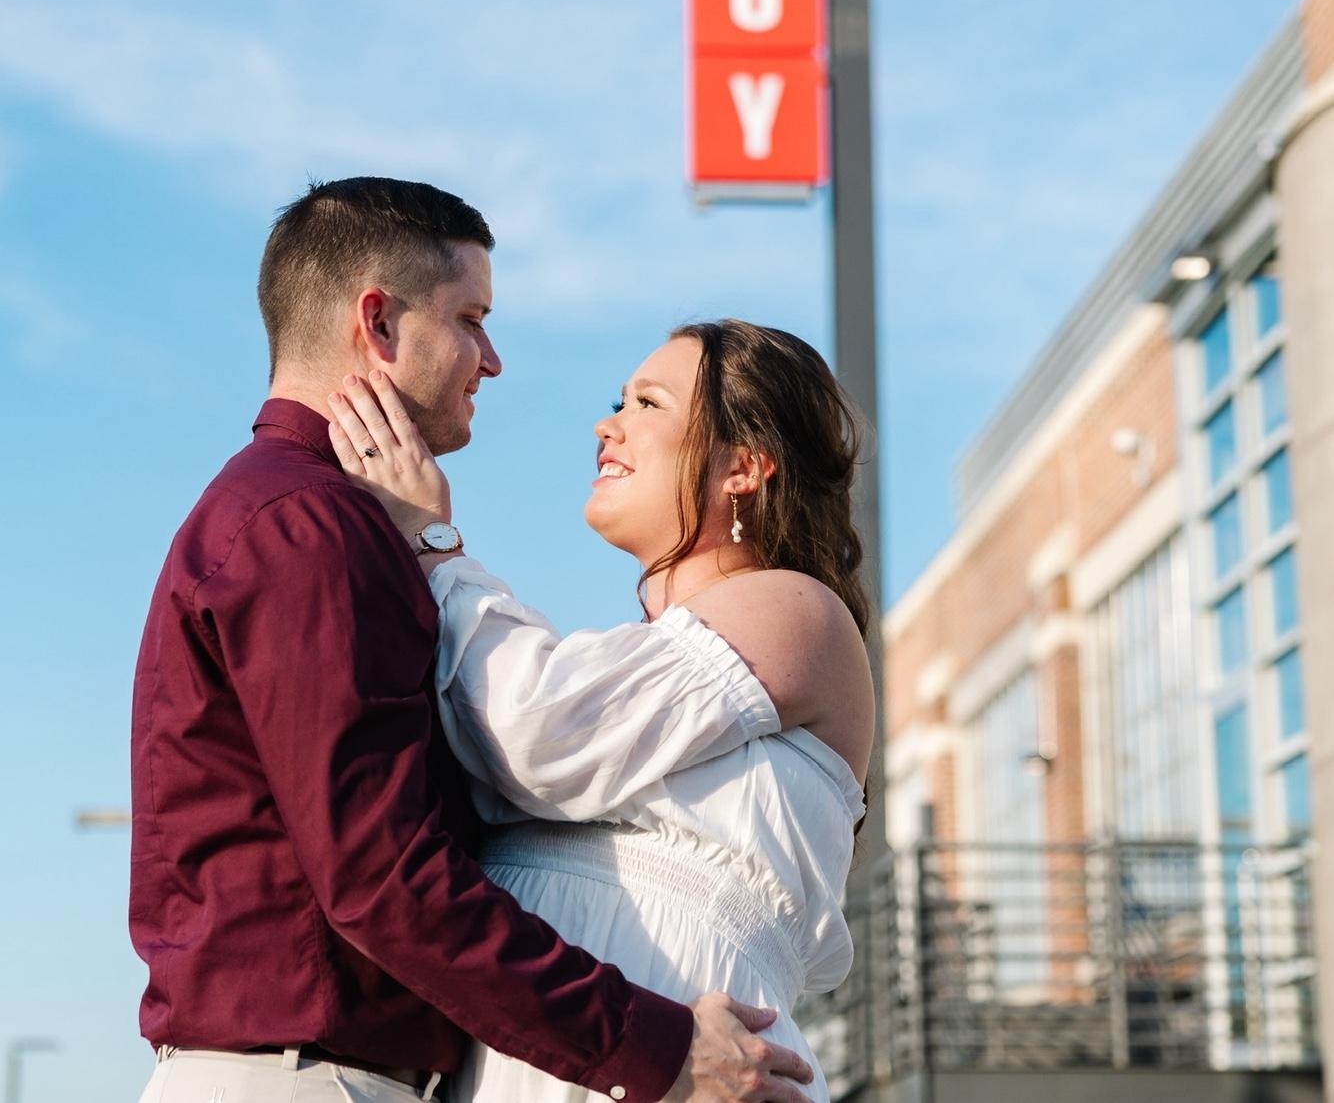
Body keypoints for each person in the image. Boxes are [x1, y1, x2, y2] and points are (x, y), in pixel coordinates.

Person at [130, 177, 819, 1103]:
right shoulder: (310, 526)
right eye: (471, 319)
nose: (491, 361)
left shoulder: (299, 516)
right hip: (306, 1079)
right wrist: (659, 1050)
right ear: (379, 323)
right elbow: (384, 878)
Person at [324, 317, 876, 1103]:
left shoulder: (800, 612)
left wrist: (434, 543)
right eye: (620, 401)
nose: (606, 425)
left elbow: (536, 730)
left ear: (744, 466)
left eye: (648, 403)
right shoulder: (637, 667)